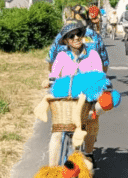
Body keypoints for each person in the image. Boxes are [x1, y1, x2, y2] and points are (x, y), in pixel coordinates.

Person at [43, 20, 110, 166]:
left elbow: (99, 76)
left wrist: (100, 88)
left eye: (78, 34)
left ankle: (89, 152)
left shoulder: (92, 55)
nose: (76, 38)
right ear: (66, 40)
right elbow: (53, 75)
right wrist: (49, 82)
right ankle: (52, 171)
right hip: (67, 102)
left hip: (87, 101)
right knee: (56, 135)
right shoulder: (61, 56)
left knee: (92, 120)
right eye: (71, 36)